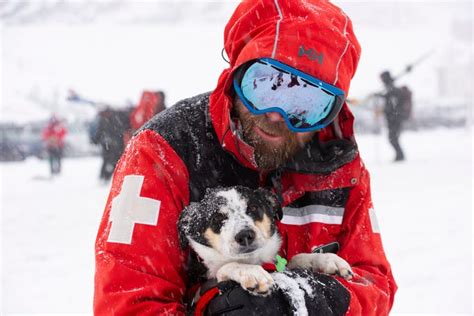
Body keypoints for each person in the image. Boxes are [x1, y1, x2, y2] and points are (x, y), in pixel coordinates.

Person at [94, 1, 397, 315]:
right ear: (236, 71)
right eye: (266, 86)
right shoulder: (164, 152)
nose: (277, 115)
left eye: (307, 103)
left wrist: (322, 300)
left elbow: (374, 283)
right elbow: (129, 302)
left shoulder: (339, 165)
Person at [90, 107, 130, 182]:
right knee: (108, 160)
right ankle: (105, 176)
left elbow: (119, 131)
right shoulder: (106, 120)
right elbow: (100, 131)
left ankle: (107, 176)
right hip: (108, 145)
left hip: (115, 145)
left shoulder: (115, 119)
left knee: (113, 161)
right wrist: (96, 140)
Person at [379, 70, 412, 161]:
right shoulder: (390, 89)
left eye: (382, 78)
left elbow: (392, 105)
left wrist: (382, 97)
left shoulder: (392, 90)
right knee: (393, 138)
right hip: (393, 118)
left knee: (393, 138)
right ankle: (399, 156)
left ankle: (400, 156)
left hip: (395, 118)